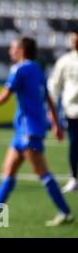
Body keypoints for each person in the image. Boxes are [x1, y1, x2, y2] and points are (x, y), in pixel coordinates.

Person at [0, 37, 74, 226]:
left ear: (21, 50)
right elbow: (48, 95)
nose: (10, 51)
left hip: (28, 130)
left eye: (13, 48)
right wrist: (56, 123)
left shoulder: (19, 69)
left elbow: (4, 96)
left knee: (41, 171)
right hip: (24, 130)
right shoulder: (35, 68)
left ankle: (65, 212)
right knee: (8, 169)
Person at [48, 29, 78, 193]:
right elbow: (54, 84)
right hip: (72, 110)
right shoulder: (66, 61)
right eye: (73, 39)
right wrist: (51, 105)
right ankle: (74, 178)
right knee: (74, 144)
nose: (74, 42)